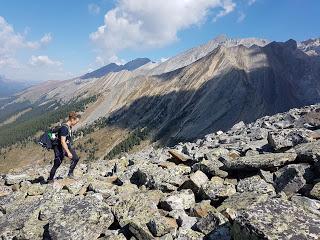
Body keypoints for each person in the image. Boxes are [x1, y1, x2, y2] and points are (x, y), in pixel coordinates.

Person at [47, 111, 81, 182]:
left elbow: (65, 139)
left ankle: (70, 174)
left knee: (76, 158)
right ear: (72, 119)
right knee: (57, 163)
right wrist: (68, 152)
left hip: (65, 146)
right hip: (59, 147)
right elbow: (62, 141)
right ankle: (50, 179)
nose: (76, 123)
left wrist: (68, 141)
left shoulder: (69, 127)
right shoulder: (64, 128)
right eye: (76, 122)